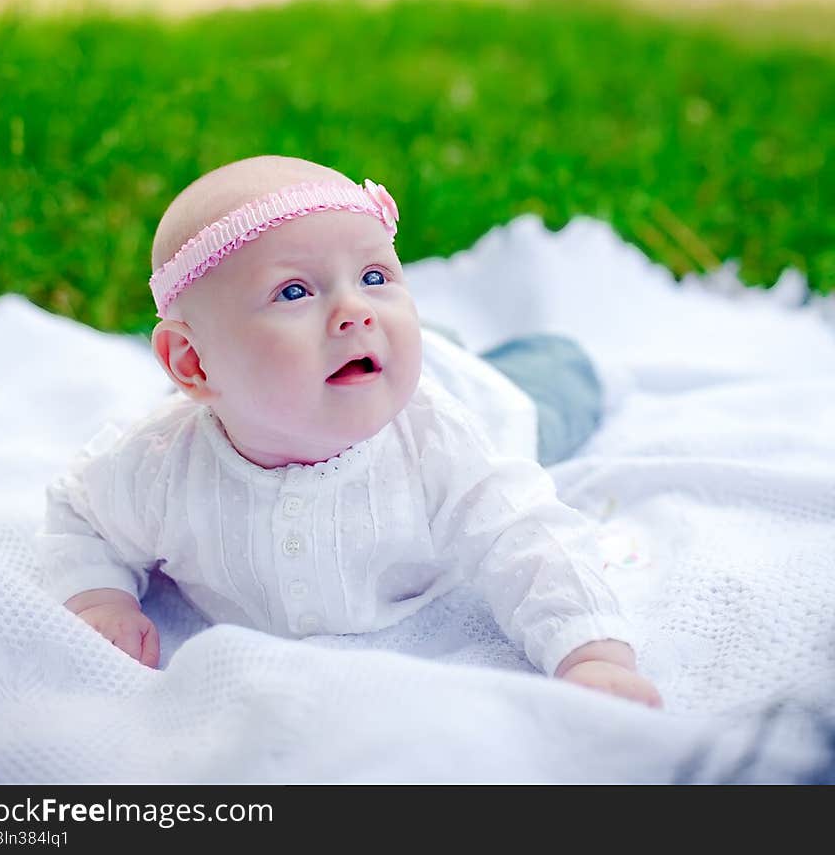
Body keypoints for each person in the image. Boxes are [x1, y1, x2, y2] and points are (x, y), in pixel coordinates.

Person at [38, 154, 662, 708]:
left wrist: (591, 652)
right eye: (294, 291)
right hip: (364, 369)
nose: (355, 310)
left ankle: (563, 354)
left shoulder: (442, 445)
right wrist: (99, 596)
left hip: (474, 392)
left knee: (551, 393)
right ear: (193, 364)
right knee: (426, 346)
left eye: (374, 277)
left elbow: (530, 540)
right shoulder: (157, 467)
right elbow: (80, 511)